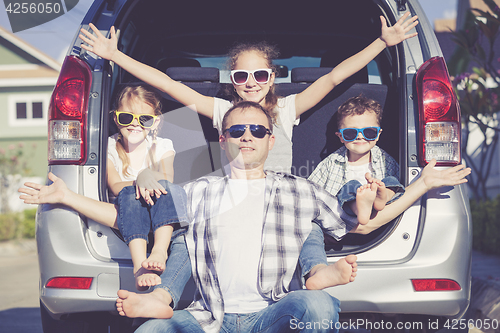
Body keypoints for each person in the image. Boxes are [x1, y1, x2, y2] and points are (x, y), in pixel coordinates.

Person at [20, 102, 471, 333]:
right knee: (155, 329)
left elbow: (364, 224)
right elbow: (124, 215)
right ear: (224, 138)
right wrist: (65, 196)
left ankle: (317, 276)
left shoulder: (300, 189)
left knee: (317, 305)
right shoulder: (199, 191)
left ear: (271, 139)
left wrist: (423, 185)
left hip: (275, 312)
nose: (247, 136)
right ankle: (162, 300)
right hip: (206, 317)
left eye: (257, 130)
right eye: (237, 130)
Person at [78, 11, 419, 291]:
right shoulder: (221, 111)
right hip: (232, 202)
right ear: (232, 79)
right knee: (190, 228)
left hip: (282, 202)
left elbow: (333, 79)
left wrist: (382, 43)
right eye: (241, 75)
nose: (251, 82)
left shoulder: (286, 110)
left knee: (309, 226)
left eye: (259, 74)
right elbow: (169, 85)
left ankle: (317, 271)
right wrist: (115, 56)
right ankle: (163, 288)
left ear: (271, 77)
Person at [106, 84, 188, 290]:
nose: (135, 125)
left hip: (159, 207)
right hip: (129, 207)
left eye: (144, 119)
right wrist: (138, 181)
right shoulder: (109, 147)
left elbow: (168, 176)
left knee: (168, 187)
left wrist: (146, 174)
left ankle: (160, 250)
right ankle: (139, 265)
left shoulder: (163, 146)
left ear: (156, 122)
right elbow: (115, 185)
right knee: (128, 194)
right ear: (116, 118)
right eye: (127, 117)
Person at [309, 94, 404, 225]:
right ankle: (358, 207)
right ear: (340, 137)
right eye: (350, 133)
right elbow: (311, 191)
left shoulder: (385, 159)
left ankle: (382, 197)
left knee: (391, 182)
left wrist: (383, 190)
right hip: (343, 219)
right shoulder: (331, 162)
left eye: (369, 132)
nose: (360, 137)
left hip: (382, 218)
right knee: (349, 188)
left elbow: (402, 185)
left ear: (378, 135)